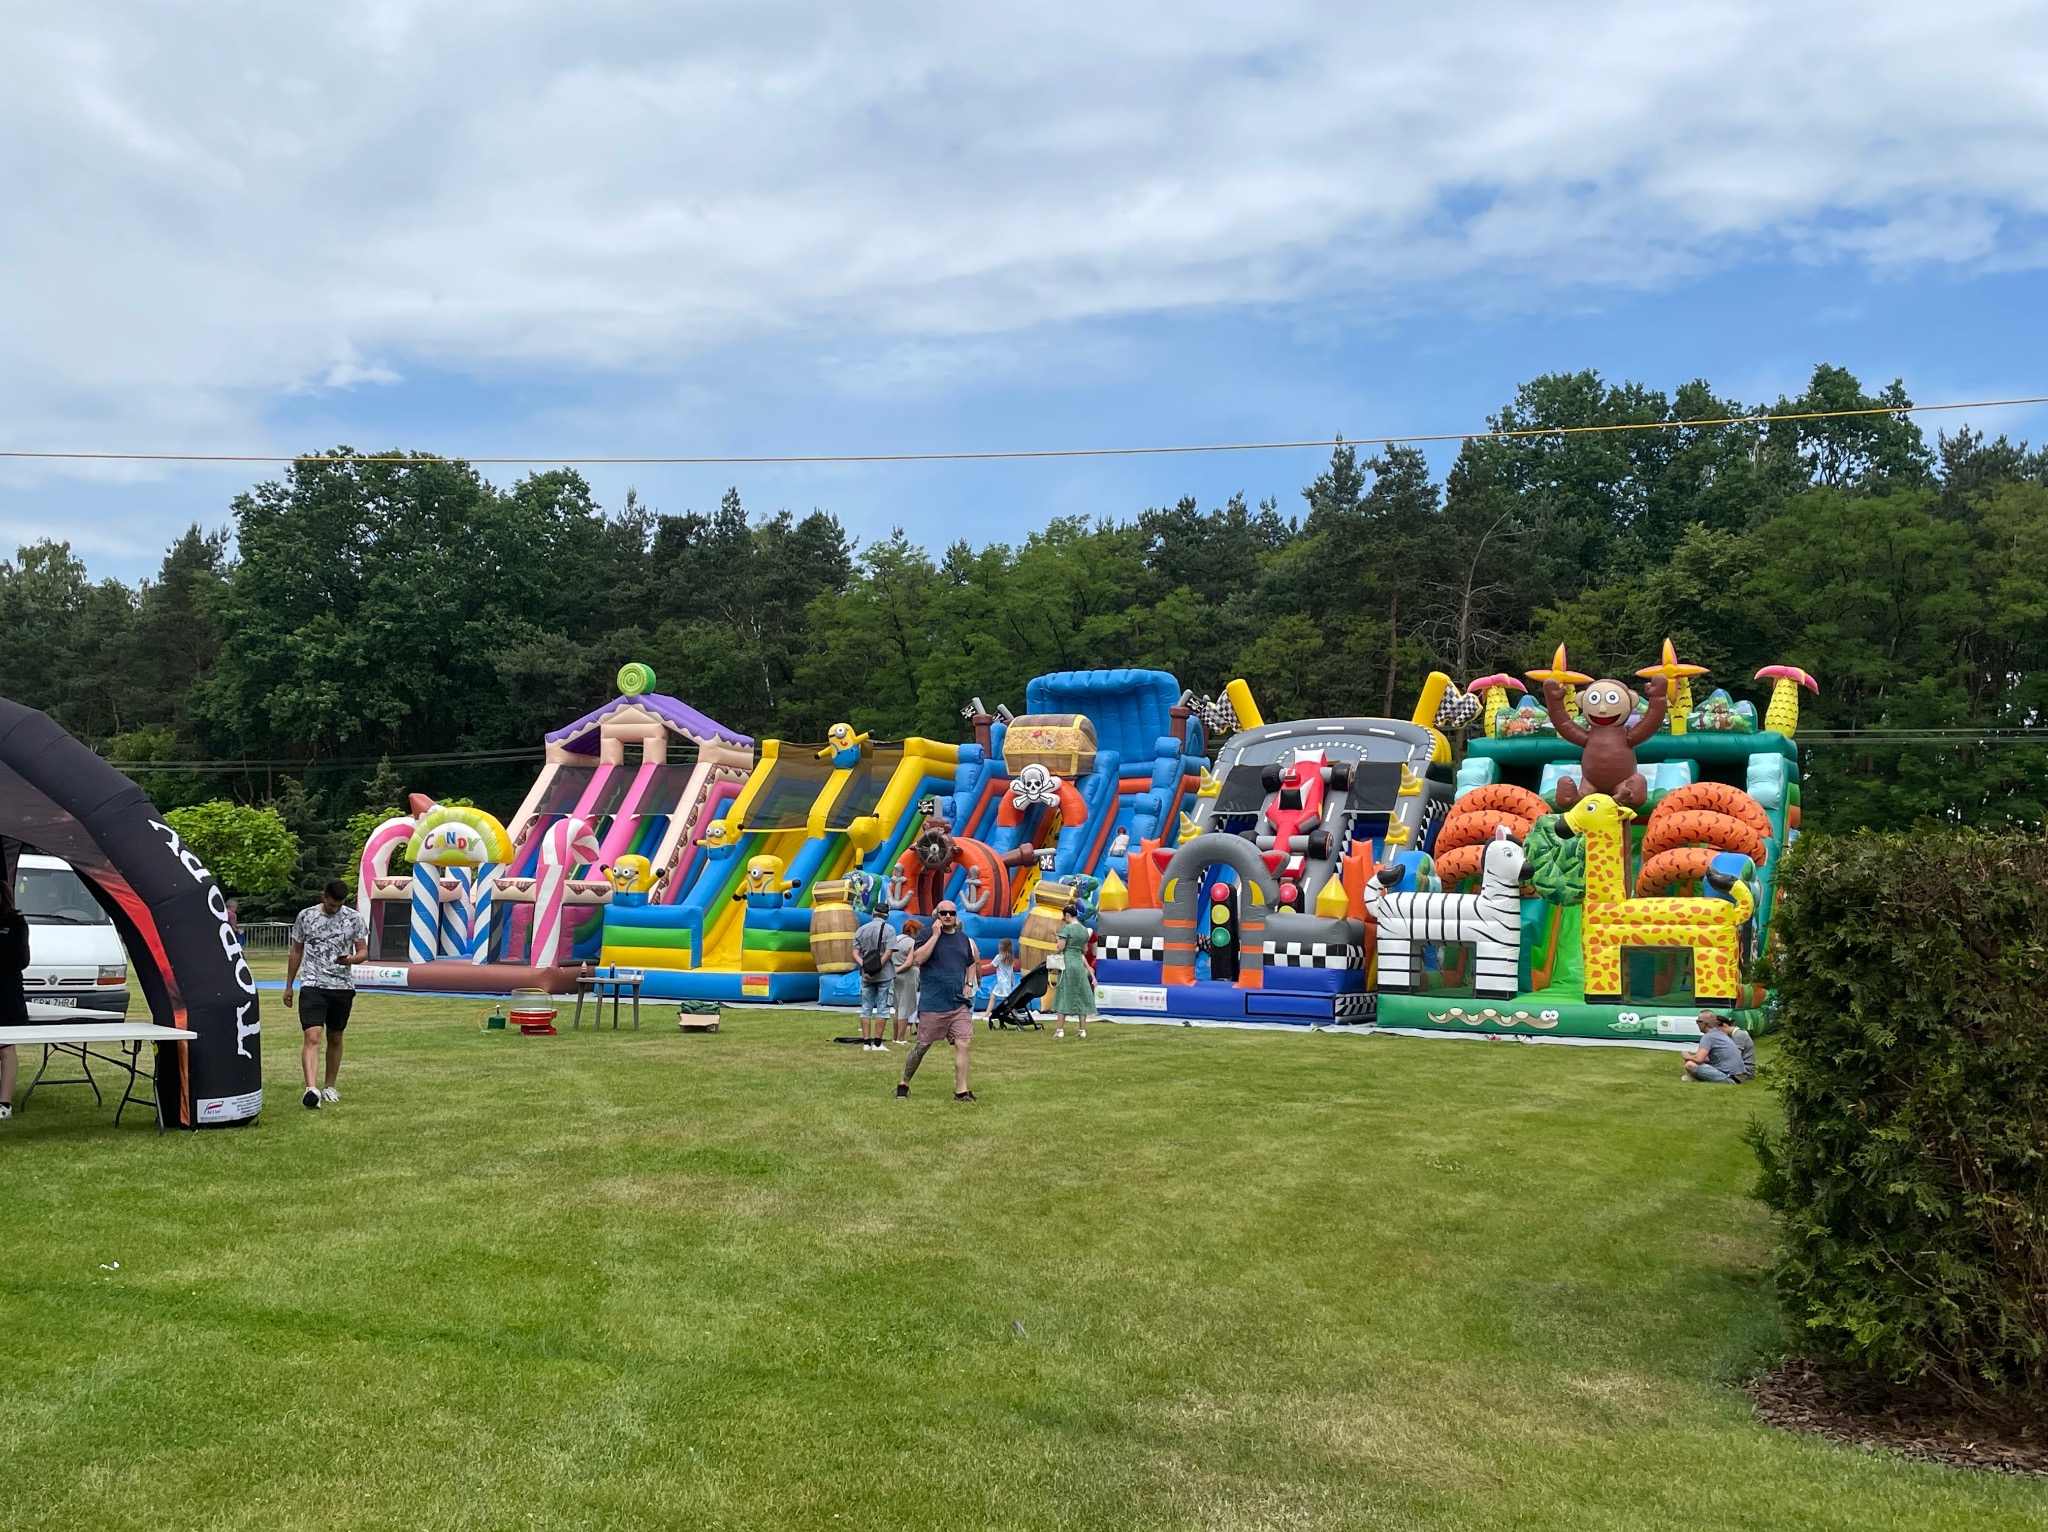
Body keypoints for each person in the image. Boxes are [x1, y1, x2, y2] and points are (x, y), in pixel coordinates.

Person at [284, 879, 369, 1109]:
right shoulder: (306, 916)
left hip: (342, 986)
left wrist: (350, 959)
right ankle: (311, 1088)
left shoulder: (354, 919)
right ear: (324, 896)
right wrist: (289, 985)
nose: (335, 909)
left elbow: (362, 952)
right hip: (313, 984)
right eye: (332, 905)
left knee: (335, 1036)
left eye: (339, 905)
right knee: (312, 1036)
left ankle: (329, 1086)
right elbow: (296, 950)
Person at [895, 900, 980, 1102]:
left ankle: (961, 1091)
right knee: (922, 1046)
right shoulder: (925, 935)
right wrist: (935, 935)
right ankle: (904, 1082)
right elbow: (918, 959)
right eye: (944, 913)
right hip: (933, 1004)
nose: (948, 916)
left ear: (956, 915)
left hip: (958, 1003)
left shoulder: (962, 938)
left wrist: (969, 984)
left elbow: (971, 962)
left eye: (951, 912)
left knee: (963, 1043)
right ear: (937, 915)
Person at [0, 872, 33, 1121]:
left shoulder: (15, 923)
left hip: (6, 993)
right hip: (9, 991)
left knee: (6, 1048)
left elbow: (22, 960)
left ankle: (4, 1103)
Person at [852, 908, 896, 1051]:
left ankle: (866, 1043)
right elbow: (888, 953)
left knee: (866, 1008)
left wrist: (866, 967)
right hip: (885, 973)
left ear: (873, 914)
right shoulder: (889, 929)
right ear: (887, 916)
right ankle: (877, 1043)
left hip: (866, 975)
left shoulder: (861, 929)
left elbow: (855, 953)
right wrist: (877, 968)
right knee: (883, 1008)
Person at [1050, 911, 1096, 1038]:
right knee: (1080, 994)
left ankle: (1059, 1030)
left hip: (1067, 962)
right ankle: (1082, 1030)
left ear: (1068, 915)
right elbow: (1085, 949)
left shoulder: (1066, 928)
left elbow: (1061, 947)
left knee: (1064, 993)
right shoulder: (1083, 930)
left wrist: (1059, 942)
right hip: (1078, 964)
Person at [1682, 1011, 1747, 1084]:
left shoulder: (1708, 1037)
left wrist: (1687, 1056)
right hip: (1739, 1076)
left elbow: (1699, 1059)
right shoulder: (1720, 1034)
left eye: (1698, 1021)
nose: (1697, 1024)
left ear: (1703, 1023)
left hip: (1730, 1077)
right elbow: (1708, 1058)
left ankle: (1694, 1077)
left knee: (1690, 1065)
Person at [890, 918, 923, 1045]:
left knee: (898, 1007)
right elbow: (909, 962)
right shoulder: (912, 943)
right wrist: (899, 970)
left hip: (895, 976)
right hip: (907, 976)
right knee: (905, 1007)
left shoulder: (896, 939)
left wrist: (893, 971)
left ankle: (895, 1036)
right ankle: (900, 1038)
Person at [981, 938, 1019, 1026]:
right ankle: (1014, 1012)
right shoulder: (1011, 958)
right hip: (1007, 982)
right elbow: (1011, 972)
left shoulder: (999, 957)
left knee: (994, 997)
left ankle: (987, 1013)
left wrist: (980, 967)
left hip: (1001, 981)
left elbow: (990, 966)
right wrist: (1012, 981)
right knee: (1006, 999)